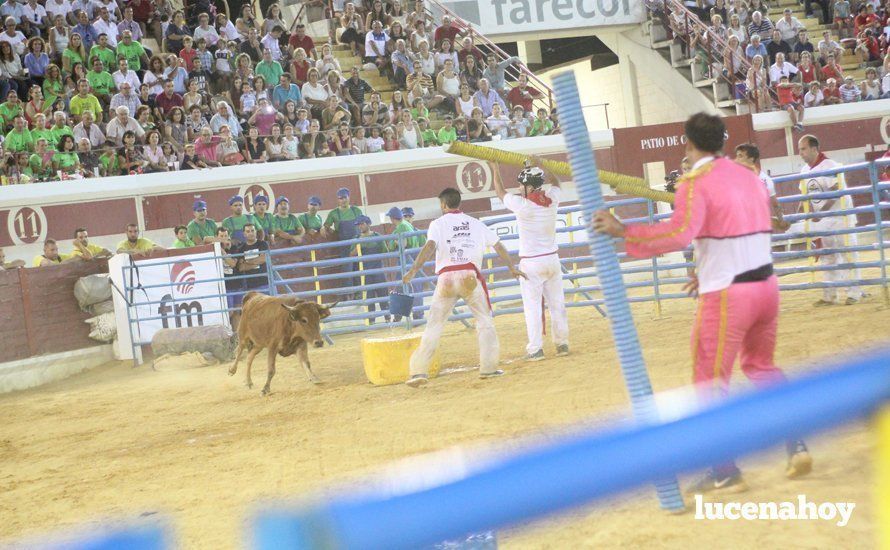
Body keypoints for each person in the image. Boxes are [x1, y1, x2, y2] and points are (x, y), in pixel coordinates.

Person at [592, 112, 812, 492]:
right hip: (766, 286)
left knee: (709, 381)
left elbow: (679, 234)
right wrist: (706, 268)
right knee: (761, 367)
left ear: (688, 142)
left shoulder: (694, 183)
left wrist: (624, 230)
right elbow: (744, 227)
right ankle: (797, 443)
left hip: (729, 294)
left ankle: (724, 469)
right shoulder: (748, 176)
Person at [402, 187, 525, 387]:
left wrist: (414, 270)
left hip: (446, 279)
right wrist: (512, 267)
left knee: (434, 325)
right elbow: (499, 246)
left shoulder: (437, 224)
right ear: (460, 203)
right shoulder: (476, 223)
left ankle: (417, 372)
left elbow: (430, 246)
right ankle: (489, 368)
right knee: (484, 322)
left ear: (443, 205)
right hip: (469, 276)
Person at [491, 157, 569, 360]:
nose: (518, 188)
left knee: (532, 307)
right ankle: (562, 344)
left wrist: (494, 168)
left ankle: (535, 349)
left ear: (528, 186)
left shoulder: (523, 205)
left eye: (521, 185)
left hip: (531, 263)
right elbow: (557, 183)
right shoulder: (552, 198)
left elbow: (500, 192)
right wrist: (542, 165)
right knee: (557, 304)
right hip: (552, 260)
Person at [797, 134, 863, 306]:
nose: (801, 153)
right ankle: (830, 295)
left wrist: (821, 212)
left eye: (803, 149)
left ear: (814, 148)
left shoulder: (831, 166)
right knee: (829, 257)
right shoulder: (804, 171)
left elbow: (836, 191)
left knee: (848, 253)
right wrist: (808, 214)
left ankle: (854, 293)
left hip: (841, 216)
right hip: (824, 220)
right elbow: (806, 196)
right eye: (799, 150)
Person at [734, 143, 789, 232]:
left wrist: (781, 220)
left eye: (740, 156)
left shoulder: (765, 181)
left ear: (751, 159)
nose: (736, 159)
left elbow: (775, 204)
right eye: (736, 156)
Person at [351, 215, 391, 324]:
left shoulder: (378, 236)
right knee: (369, 297)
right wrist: (357, 246)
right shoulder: (356, 239)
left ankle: (388, 318)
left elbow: (385, 252)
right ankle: (371, 320)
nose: (360, 226)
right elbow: (351, 255)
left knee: (383, 294)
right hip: (365, 272)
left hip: (378, 270)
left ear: (368, 223)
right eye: (358, 224)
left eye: (362, 224)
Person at [232, 223, 269, 294]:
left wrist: (247, 261)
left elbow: (263, 259)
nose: (251, 233)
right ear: (244, 234)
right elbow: (241, 267)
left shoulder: (263, 244)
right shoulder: (240, 249)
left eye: (252, 230)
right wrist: (257, 261)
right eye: (248, 231)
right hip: (250, 286)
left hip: (265, 283)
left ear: (256, 232)